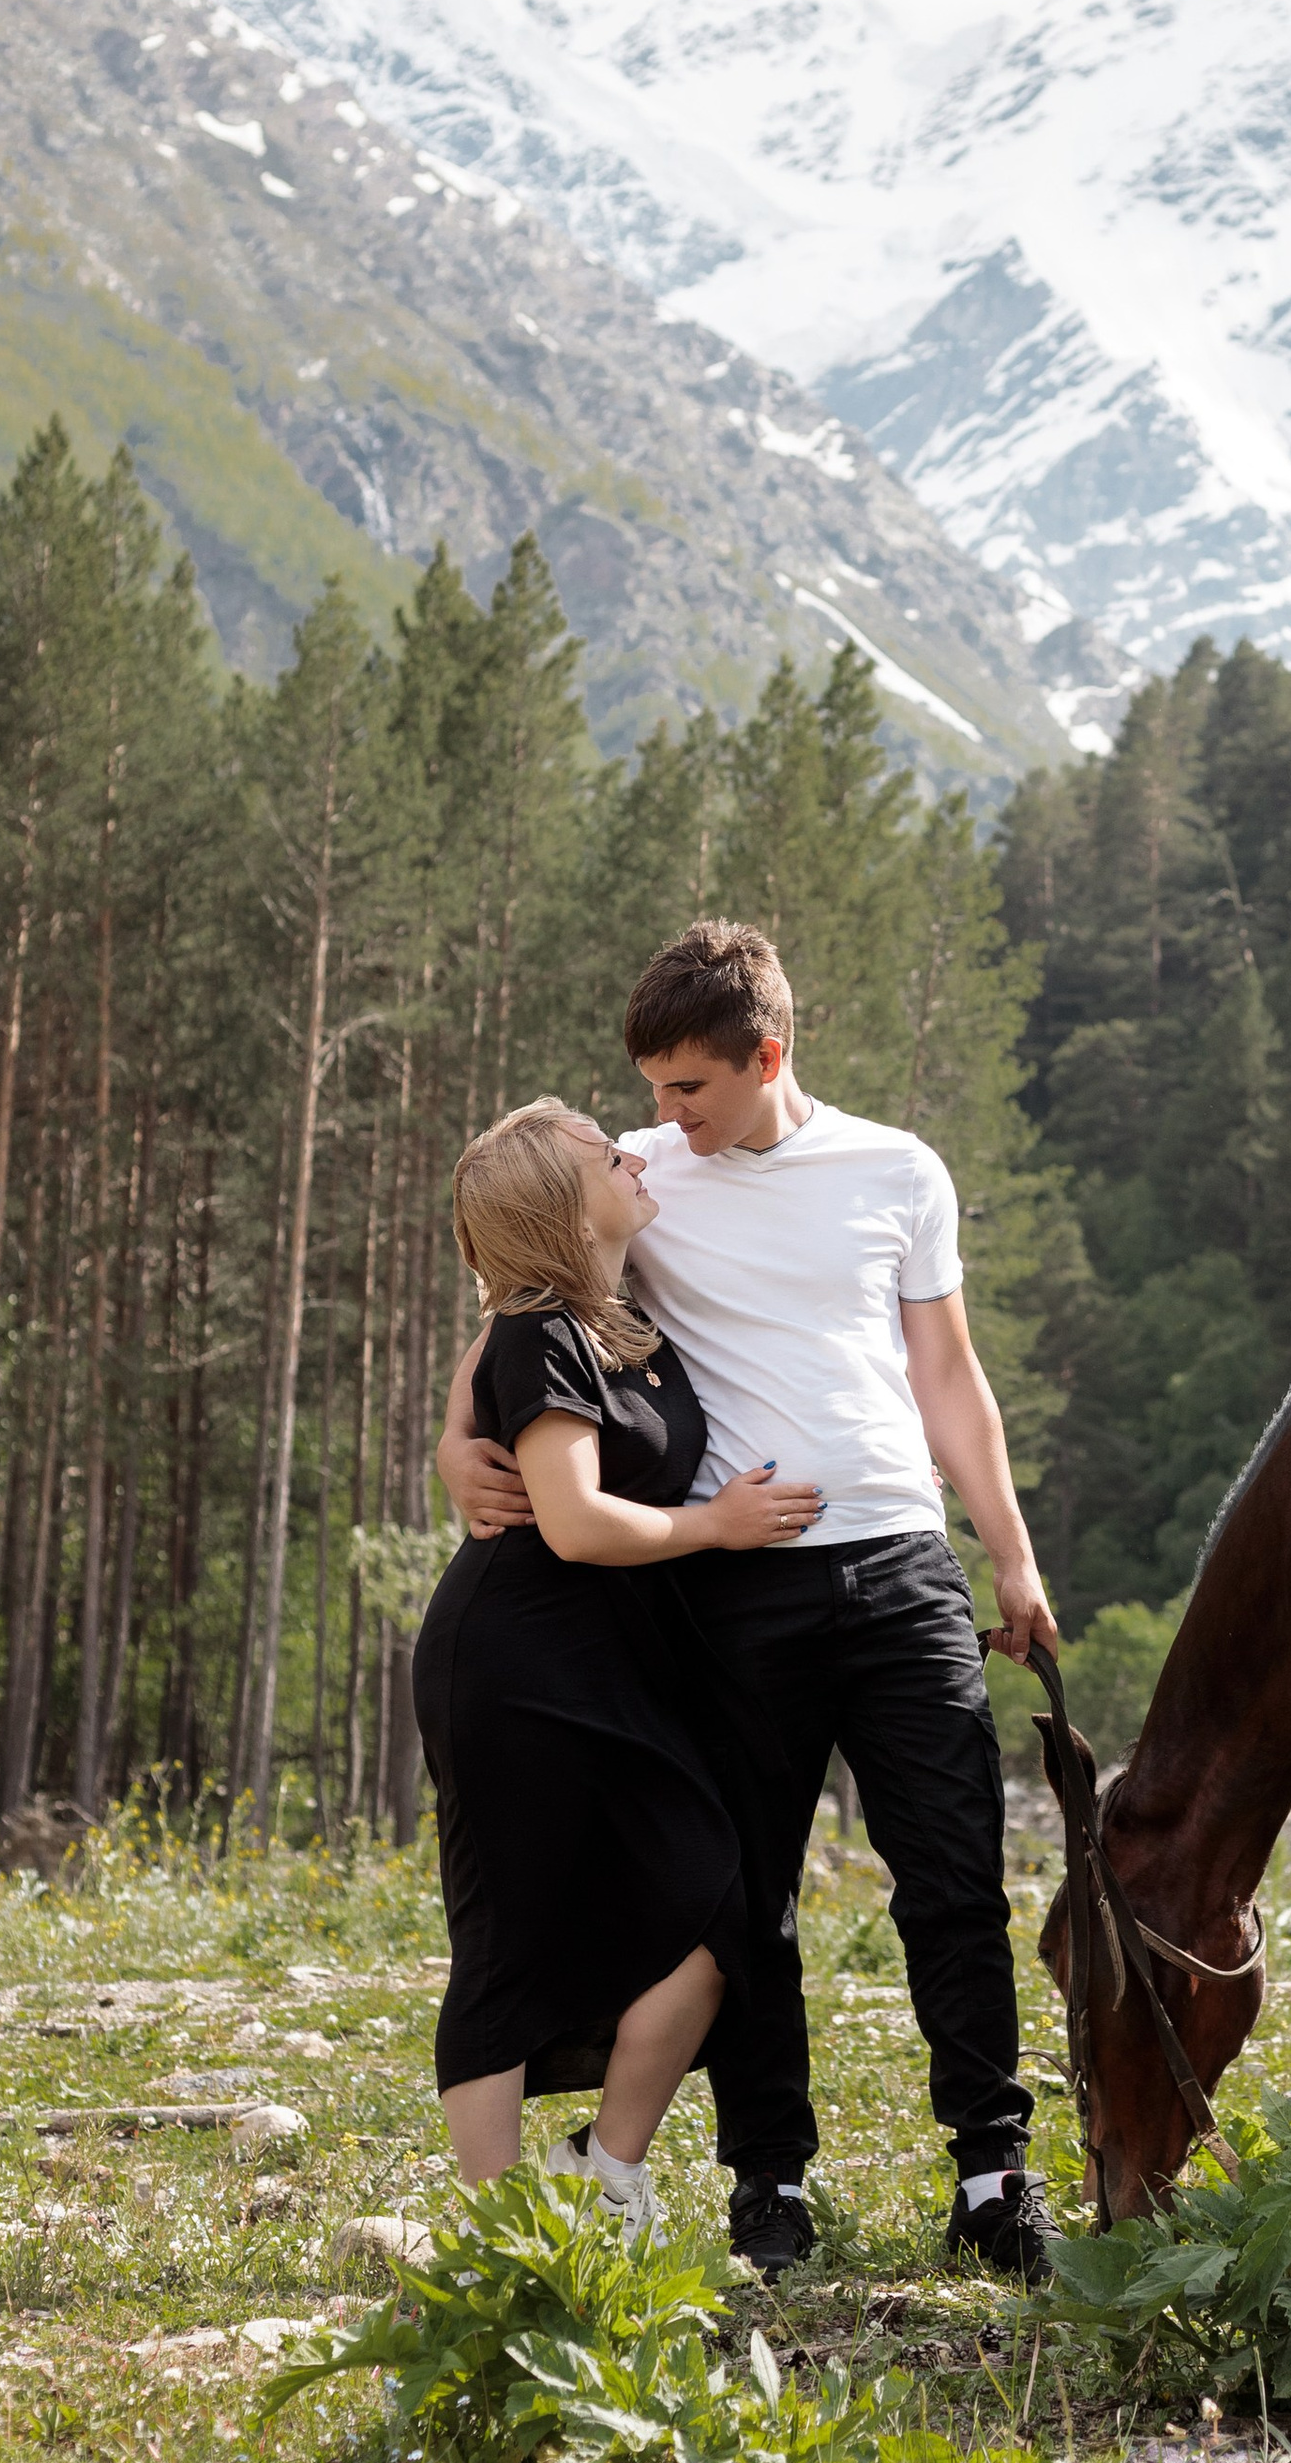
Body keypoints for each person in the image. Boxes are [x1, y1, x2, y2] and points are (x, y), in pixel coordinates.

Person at [438, 918, 1062, 2286]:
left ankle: (993, 2173)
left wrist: (1007, 1554)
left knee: (954, 1882)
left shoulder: (898, 1169)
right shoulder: (645, 1173)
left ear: (766, 1055)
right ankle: (768, 2181)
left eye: (686, 1090)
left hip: (901, 1562)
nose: (658, 1119)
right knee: (748, 1902)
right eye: (652, 1094)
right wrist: (450, 1442)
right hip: (732, 1589)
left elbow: (950, 1378)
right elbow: (515, 1303)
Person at [414, 1099, 823, 2234]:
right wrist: (718, 1529)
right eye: (607, 1156)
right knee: (507, 1935)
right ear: (561, 1204)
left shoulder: (612, 1317)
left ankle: (602, 2170)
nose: (632, 1155)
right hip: (513, 1668)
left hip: (613, 1670)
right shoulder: (542, 1328)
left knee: (718, 1905)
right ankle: (505, 2234)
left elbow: (481, 1368)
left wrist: (454, 1434)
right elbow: (579, 1523)